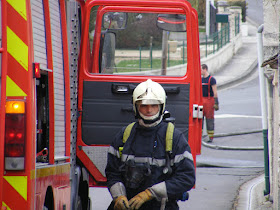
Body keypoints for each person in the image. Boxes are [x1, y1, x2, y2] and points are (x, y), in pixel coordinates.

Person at [105, 79, 196, 210]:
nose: (149, 110)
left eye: (154, 105)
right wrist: (118, 196)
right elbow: (112, 172)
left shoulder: (174, 138)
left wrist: (150, 193)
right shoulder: (124, 135)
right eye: (144, 105)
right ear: (135, 106)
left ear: (162, 106)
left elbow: (186, 177)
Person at [201, 64, 219, 143]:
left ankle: (210, 137)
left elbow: (215, 92)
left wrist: (216, 102)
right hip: (201, 101)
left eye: (201, 69)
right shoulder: (200, 79)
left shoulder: (212, 79)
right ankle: (199, 136)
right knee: (199, 119)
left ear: (205, 69)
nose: (200, 71)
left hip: (209, 101)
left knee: (209, 119)